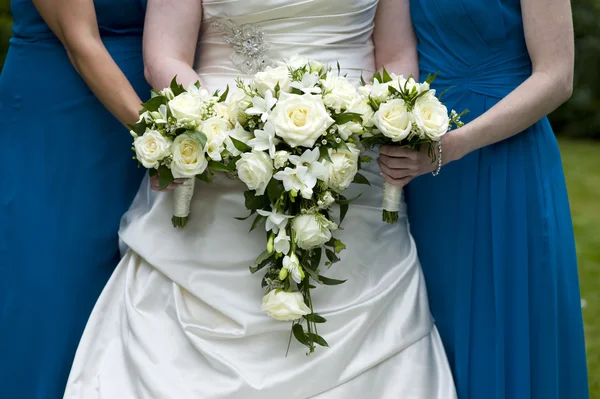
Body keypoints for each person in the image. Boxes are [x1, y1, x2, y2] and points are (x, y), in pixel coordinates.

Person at [63, 0, 457, 397]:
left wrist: (385, 116)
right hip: (225, 157)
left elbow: (396, 54)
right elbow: (165, 57)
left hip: (353, 160)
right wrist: (225, 126)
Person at [378, 0, 590, 397]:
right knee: (442, 322)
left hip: (506, 158)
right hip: (428, 164)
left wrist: (457, 144)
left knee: (508, 320)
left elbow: (557, 77)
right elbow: (394, 56)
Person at [0, 0, 152, 397]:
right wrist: (167, 139)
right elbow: (79, 40)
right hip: (66, 106)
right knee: (59, 281)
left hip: (158, 108)